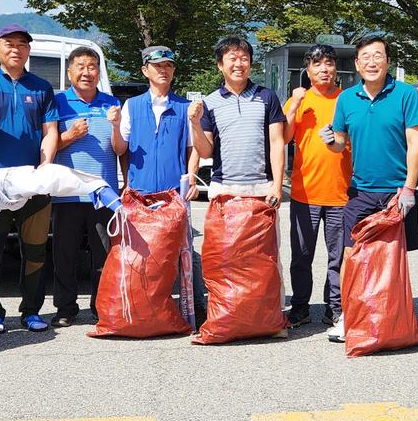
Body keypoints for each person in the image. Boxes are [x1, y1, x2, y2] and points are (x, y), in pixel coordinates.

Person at [325, 33, 418, 343]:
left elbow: (415, 142)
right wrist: (332, 141)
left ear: (387, 61)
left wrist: (409, 188)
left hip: (397, 192)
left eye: (377, 55)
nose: (371, 61)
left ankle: (393, 317)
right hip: (360, 191)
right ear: (357, 63)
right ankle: (347, 316)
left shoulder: (406, 94)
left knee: (393, 258)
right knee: (351, 255)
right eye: (365, 57)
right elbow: (341, 143)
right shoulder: (346, 98)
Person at [0, 24, 59, 334]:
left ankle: (31, 311)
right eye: (9, 43)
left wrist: (45, 168)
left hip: (33, 181)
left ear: (28, 51)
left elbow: (50, 132)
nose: (16, 49)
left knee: (34, 250)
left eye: (22, 44)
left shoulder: (42, 87)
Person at [111, 45, 205, 320]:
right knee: (140, 255)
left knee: (183, 252)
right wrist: (115, 126)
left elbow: (193, 150)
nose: (163, 70)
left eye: (168, 66)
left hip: (173, 195)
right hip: (139, 195)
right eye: (157, 66)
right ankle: (142, 309)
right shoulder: (132, 106)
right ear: (145, 70)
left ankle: (194, 304)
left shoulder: (185, 108)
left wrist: (192, 180)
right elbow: (119, 149)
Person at [282, 44, 352, 329]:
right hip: (304, 192)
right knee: (301, 255)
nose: (324, 69)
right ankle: (300, 306)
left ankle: (334, 306)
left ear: (336, 69)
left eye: (329, 63)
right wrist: (295, 105)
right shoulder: (297, 101)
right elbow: (284, 138)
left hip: (341, 192)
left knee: (338, 256)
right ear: (308, 70)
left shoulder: (348, 99)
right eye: (317, 64)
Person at [51, 46, 120, 327]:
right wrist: (70, 135)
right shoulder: (57, 103)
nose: (86, 72)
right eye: (80, 66)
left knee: (103, 255)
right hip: (67, 193)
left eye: (92, 66)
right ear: (69, 72)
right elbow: (46, 146)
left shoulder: (111, 104)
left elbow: (121, 148)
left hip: (103, 194)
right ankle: (66, 309)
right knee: (64, 254)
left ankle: (100, 305)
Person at [189, 36, 286, 205]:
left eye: (244, 59)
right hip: (223, 187)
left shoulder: (267, 96)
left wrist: (277, 185)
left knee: (264, 233)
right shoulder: (209, 103)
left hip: (262, 186)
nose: (239, 64)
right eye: (232, 59)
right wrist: (195, 124)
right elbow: (205, 152)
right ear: (220, 65)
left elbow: (277, 143)